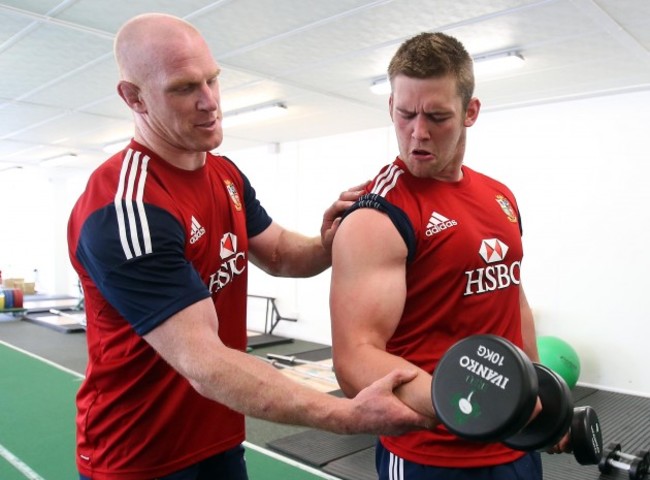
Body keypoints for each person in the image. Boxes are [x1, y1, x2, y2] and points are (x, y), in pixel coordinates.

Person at [67, 13, 431, 480]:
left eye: (213, 80)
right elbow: (206, 363)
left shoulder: (224, 174)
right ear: (133, 97)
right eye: (183, 88)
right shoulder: (126, 208)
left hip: (218, 438)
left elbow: (279, 252)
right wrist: (345, 415)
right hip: (139, 455)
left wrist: (333, 240)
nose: (209, 101)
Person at [329, 32, 558, 480]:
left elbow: (513, 297)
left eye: (437, 116)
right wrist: (474, 404)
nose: (418, 132)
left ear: (471, 112)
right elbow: (354, 359)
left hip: (512, 446)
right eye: (405, 114)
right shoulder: (378, 217)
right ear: (390, 106)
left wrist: (539, 392)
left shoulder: (500, 196)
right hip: (428, 454)